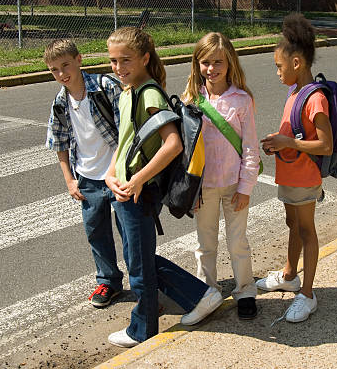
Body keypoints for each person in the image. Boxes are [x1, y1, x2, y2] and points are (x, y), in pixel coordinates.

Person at [104, 27, 223, 348]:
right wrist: (110, 173)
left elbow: (171, 144)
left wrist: (139, 179)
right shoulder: (127, 91)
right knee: (137, 256)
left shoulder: (149, 93)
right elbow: (126, 138)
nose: (118, 67)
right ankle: (200, 296)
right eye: (113, 61)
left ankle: (142, 329)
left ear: (145, 58)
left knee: (139, 265)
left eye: (126, 60)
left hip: (140, 190)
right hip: (124, 187)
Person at [256, 14, 333, 323]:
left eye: (279, 65)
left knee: (306, 230)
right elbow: (294, 134)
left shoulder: (315, 98)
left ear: (297, 63)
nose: (277, 71)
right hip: (290, 175)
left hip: (304, 177)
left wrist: (288, 143)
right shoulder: (294, 92)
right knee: (293, 224)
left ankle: (308, 293)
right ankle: (290, 274)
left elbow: (325, 146)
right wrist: (278, 143)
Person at [182, 32, 260, 320]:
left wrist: (245, 188)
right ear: (197, 64)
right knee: (205, 244)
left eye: (218, 63)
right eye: (205, 63)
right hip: (204, 188)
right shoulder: (191, 98)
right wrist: (191, 189)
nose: (212, 69)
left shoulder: (241, 100)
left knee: (238, 241)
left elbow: (251, 147)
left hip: (234, 185)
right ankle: (208, 292)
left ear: (230, 64)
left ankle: (245, 290)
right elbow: (187, 150)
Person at [44, 39, 125, 308]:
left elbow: (127, 130)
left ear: (79, 60)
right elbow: (59, 141)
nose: (61, 74)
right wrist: (69, 179)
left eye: (65, 65)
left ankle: (142, 283)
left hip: (117, 174)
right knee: (96, 232)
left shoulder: (105, 87)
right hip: (87, 178)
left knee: (130, 232)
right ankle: (108, 281)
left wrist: (119, 170)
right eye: (54, 70)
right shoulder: (60, 101)